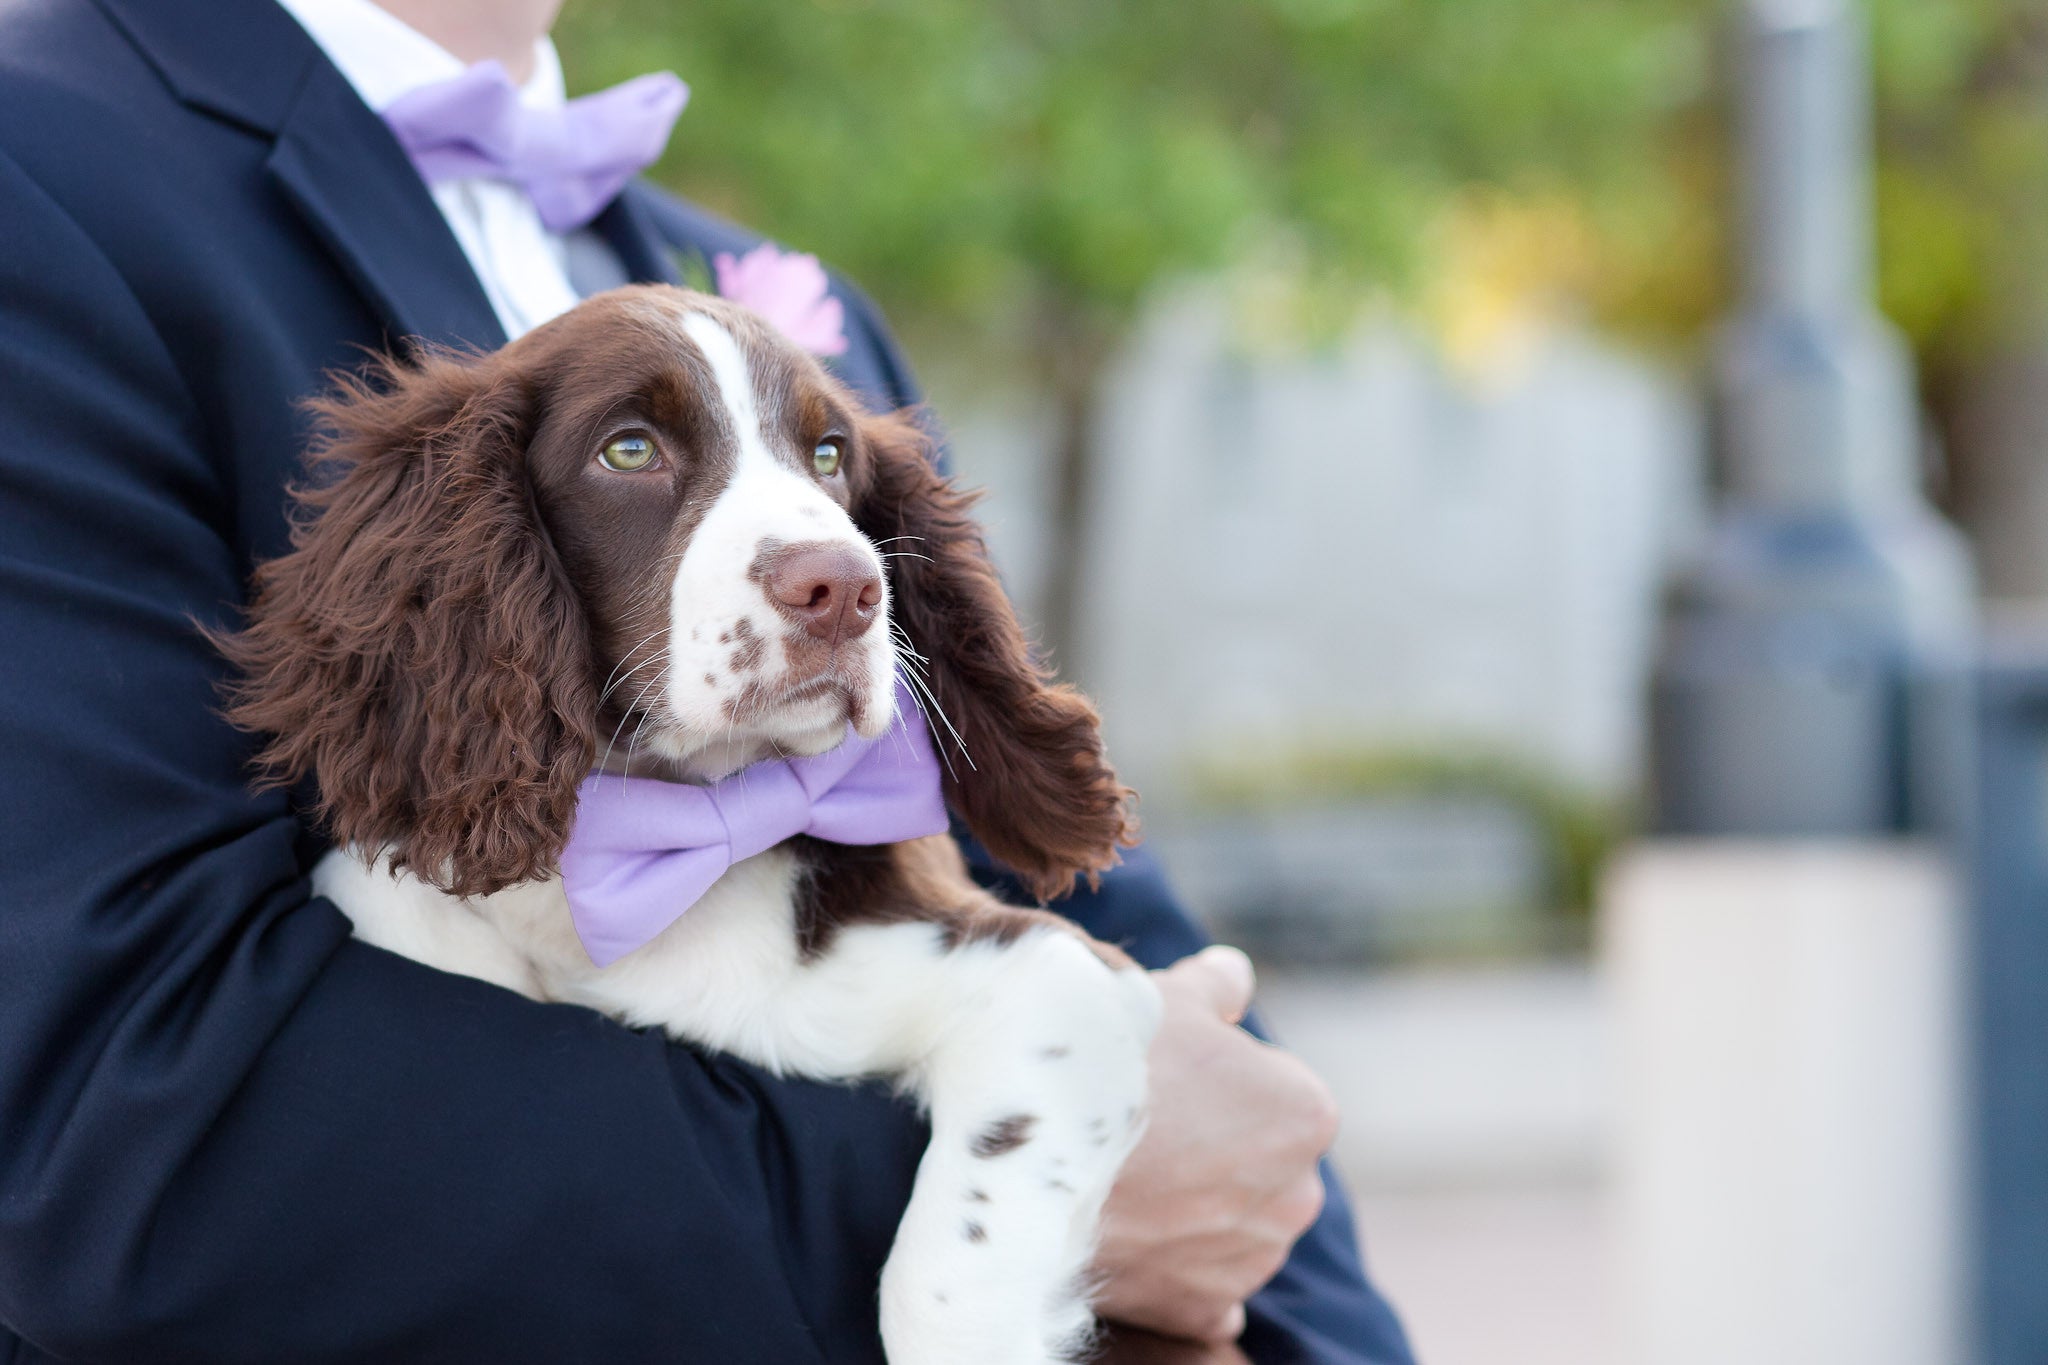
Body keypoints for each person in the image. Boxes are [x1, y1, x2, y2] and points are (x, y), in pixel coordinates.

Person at [0, 0, 1416, 1360]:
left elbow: (1110, 944)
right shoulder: (38, 167)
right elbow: (105, 1132)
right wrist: (1022, 1194)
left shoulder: (769, 295)